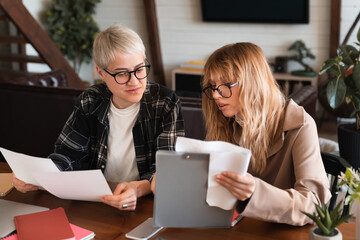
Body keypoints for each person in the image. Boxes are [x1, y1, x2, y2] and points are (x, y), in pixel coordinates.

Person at [11, 24, 185, 211]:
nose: (134, 81)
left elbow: (167, 169)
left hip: (148, 204)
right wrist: (35, 176)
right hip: (103, 200)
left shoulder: (166, 102)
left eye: (139, 69)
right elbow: (67, 155)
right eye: (121, 74)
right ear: (101, 73)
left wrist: (137, 188)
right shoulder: (90, 100)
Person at [200, 42, 331, 226]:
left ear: (253, 82)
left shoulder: (300, 125)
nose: (215, 95)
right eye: (213, 86)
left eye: (227, 84)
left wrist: (255, 192)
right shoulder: (224, 122)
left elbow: (314, 205)